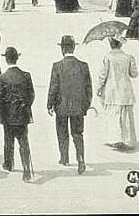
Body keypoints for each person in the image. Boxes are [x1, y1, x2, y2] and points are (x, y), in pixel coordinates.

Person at [47, 35, 92, 175]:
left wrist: (50, 104)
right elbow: (88, 89)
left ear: (62, 48)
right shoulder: (83, 66)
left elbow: (53, 87)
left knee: (62, 133)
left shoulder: (57, 66)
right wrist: (85, 106)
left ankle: (64, 157)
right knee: (78, 133)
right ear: (73, 47)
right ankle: (81, 159)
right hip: (78, 107)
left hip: (61, 106)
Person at [0, 47, 34, 182]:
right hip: (23, 115)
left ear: (6, 59)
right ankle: (26, 169)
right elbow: (31, 95)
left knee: (8, 141)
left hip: (8, 116)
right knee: (24, 142)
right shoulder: (26, 75)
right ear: (17, 58)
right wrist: (25, 106)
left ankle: (9, 164)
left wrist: (1, 117)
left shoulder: (2, 78)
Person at [96, 35, 138, 151]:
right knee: (127, 116)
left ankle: (115, 139)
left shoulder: (107, 57)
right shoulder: (129, 57)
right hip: (125, 90)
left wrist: (99, 87)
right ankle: (128, 141)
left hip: (112, 90)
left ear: (111, 44)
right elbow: (134, 74)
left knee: (113, 115)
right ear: (120, 44)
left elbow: (102, 75)